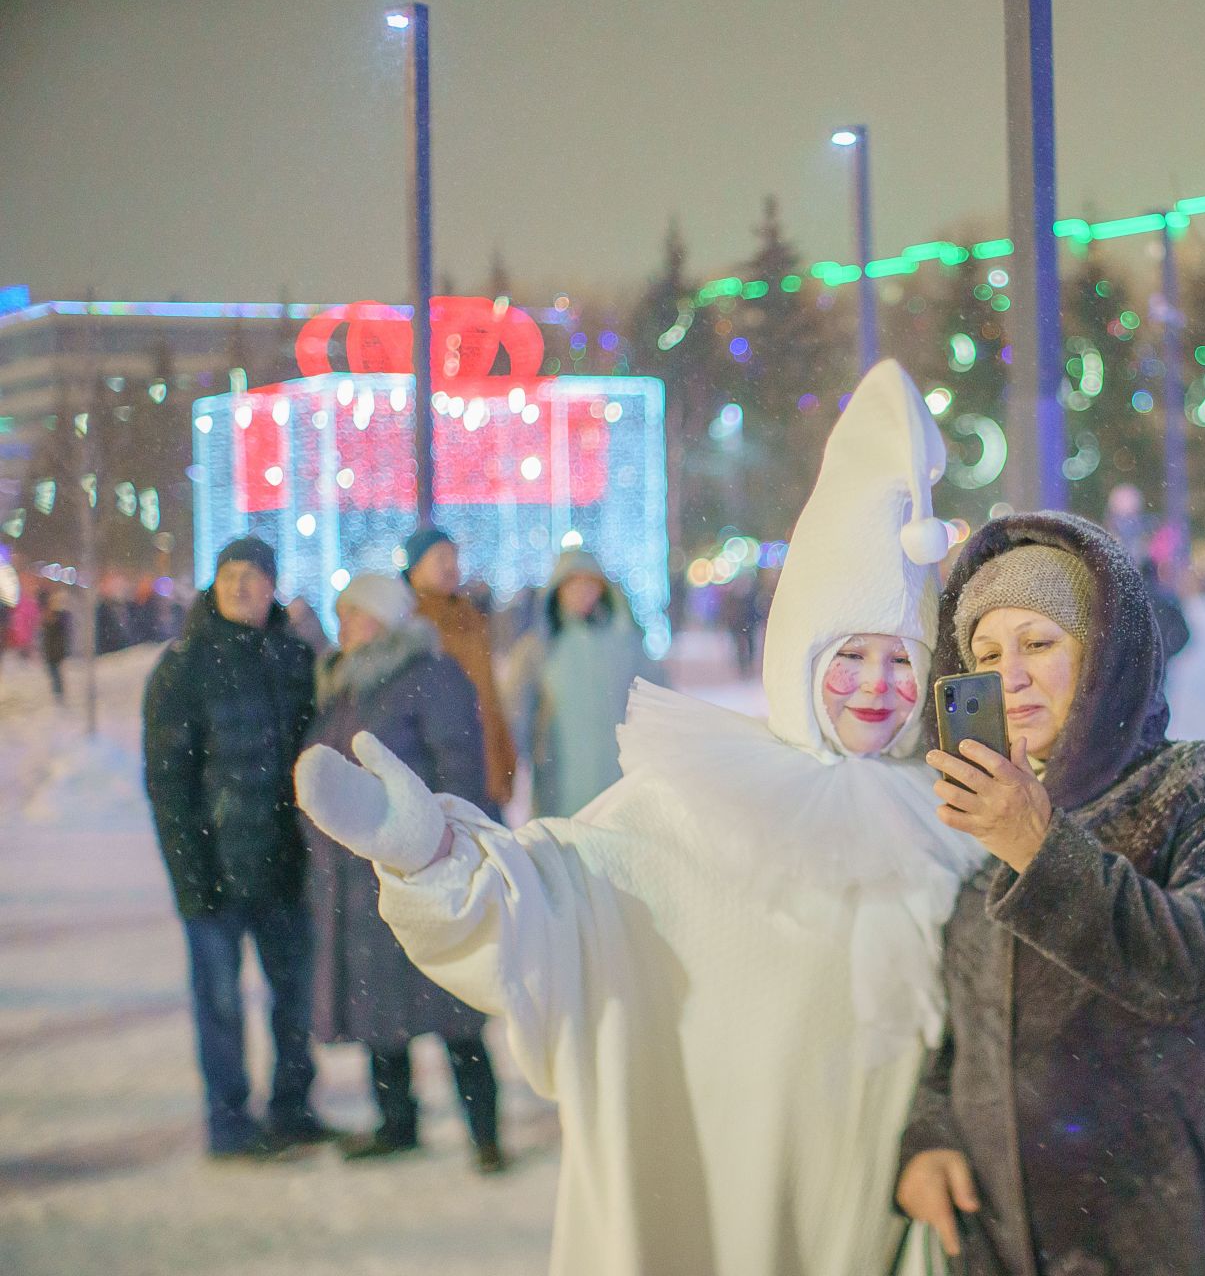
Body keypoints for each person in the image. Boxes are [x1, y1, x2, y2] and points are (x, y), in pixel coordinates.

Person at [293, 361, 981, 1274]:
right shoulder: (698, 800)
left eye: (901, 660)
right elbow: (552, 897)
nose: (874, 685)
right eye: (849, 653)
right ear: (799, 651)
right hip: (722, 1206)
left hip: (876, 1212)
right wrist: (433, 860)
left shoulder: (950, 812)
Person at [896, 511, 1205, 1275]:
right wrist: (929, 1138)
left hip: (1161, 1244)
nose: (1012, 674)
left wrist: (1038, 848)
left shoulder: (1196, 785)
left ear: (1102, 653)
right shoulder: (978, 833)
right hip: (999, 1245)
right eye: (988, 653)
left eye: (1039, 643)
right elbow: (965, 1039)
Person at [302, 573, 504, 1172]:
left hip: (419, 870)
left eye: (358, 614)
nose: (346, 626)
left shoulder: (431, 677)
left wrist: (452, 851)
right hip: (357, 878)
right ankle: (397, 1123)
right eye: (343, 615)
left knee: (451, 1007)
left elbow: (462, 771)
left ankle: (485, 1133)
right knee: (377, 1009)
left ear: (388, 620)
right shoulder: (344, 683)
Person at [141, 536, 331, 1159]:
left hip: (282, 867)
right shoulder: (184, 666)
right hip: (214, 872)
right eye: (229, 575)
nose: (240, 585)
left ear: (273, 586)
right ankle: (229, 1126)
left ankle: (293, 1109)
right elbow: (168, 783)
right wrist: (189, 874)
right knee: (220, 1006)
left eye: (253, 575)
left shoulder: (293, 658)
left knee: (295, 998)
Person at [505, 549, 665, 818]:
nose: (581, 591)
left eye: (589, 583)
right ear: (558, 590)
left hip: (617, 779)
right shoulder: (538, 649)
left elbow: (658, 699)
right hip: (558, 784)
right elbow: (516, 713)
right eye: (572, 583)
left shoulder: (625, 644)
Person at [402, 527, 516, 813]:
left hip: (483, 766)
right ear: (415, 569)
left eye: (453, 557)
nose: (451, 566)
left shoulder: (471, 618)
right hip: (441, 772)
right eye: (440, 558)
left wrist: (504, 757)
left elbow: (489, 697)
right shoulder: (408, 625)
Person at [41, 587, 71, 703]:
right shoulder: (51, 623)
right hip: (51, 653)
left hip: (54, 654)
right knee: (54, 674)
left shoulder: (57, 622)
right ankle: (57, 693)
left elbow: (58, 640)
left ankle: (59, 694)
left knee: (56, 674)